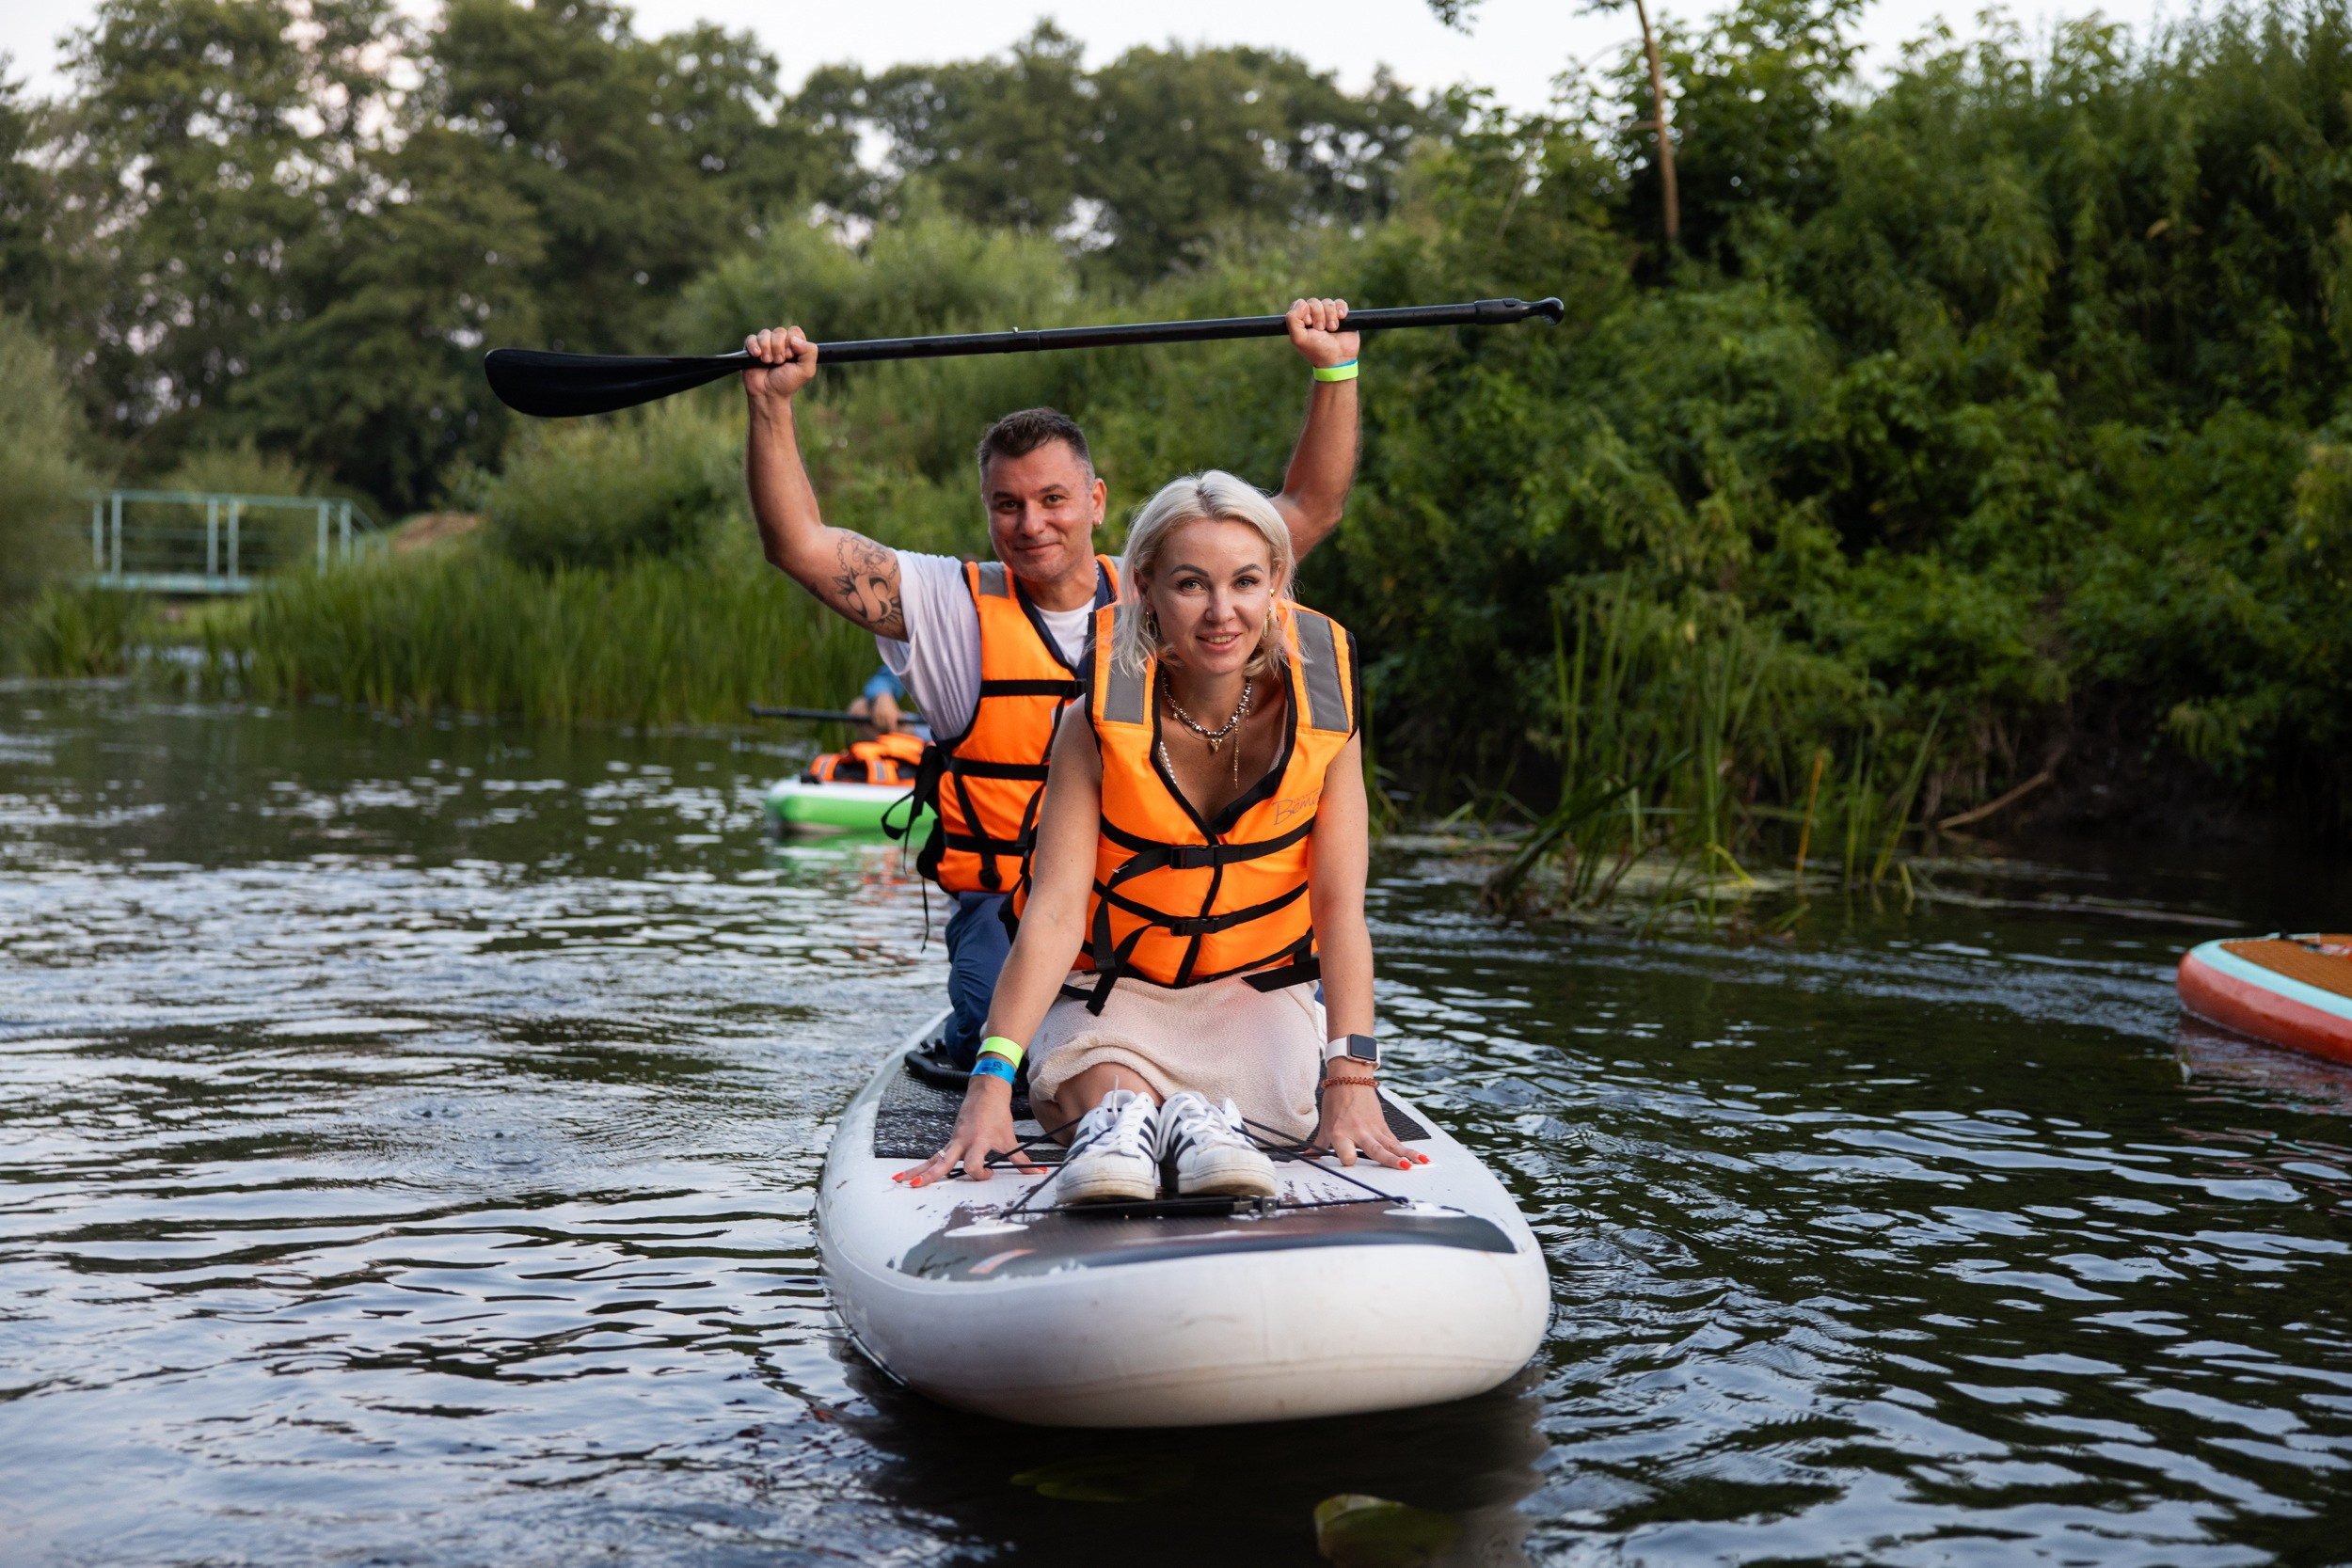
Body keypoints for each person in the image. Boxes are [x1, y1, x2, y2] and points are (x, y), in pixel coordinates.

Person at [741, 299, 1362, 1074]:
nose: (1030, 523)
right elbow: (797, 543)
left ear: (1095, 501)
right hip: (1009, 910)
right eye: (1008, 504)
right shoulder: (947, 605)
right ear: (988, 511)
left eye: (1053, 499)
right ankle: (1007, 1066)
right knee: (1024, 1040)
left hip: (1145, 904)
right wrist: (771, 405)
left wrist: (1335, 368)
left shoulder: (1167, 589)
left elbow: (1310, 506)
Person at [900, 470, 1427, 1206]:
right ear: (1144, 585)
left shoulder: (1327, 721)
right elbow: (1054, 912)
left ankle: (1198, 1124)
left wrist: (1351, 1079)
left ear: (1276, 581)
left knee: (1271, 1093)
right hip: (1113, 993)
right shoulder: (1091, 724)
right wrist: (990, 1082)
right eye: (1191, 584)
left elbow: (1340, 910)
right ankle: (1137, 1121)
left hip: (1249, 992)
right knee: (1101, 1086)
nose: (1221, 612)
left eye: (1245, 581)